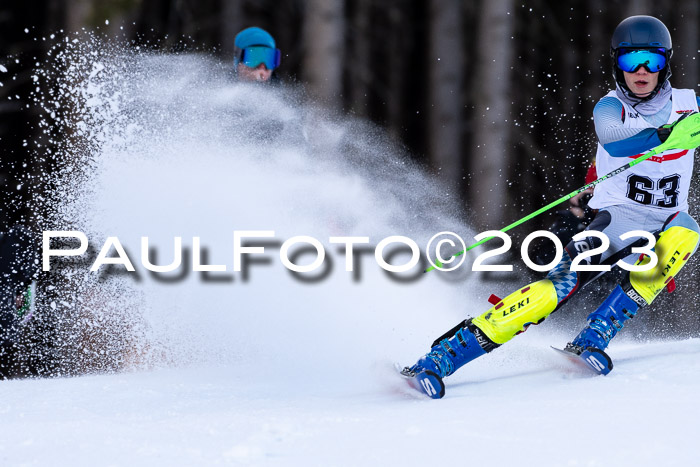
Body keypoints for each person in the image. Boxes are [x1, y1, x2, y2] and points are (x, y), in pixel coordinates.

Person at [404, 15, 700, 398]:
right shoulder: (610, 108)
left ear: (666, 64)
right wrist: (665, 134)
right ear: (617, 65)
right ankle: (439, 359)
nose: (641, 71)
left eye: (652, 61)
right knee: (553, 290)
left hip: (664, 220)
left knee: (687, 231)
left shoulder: (689, 104)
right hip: (614, 221)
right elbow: (615, 142)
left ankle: (595, 335)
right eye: (630, 61)